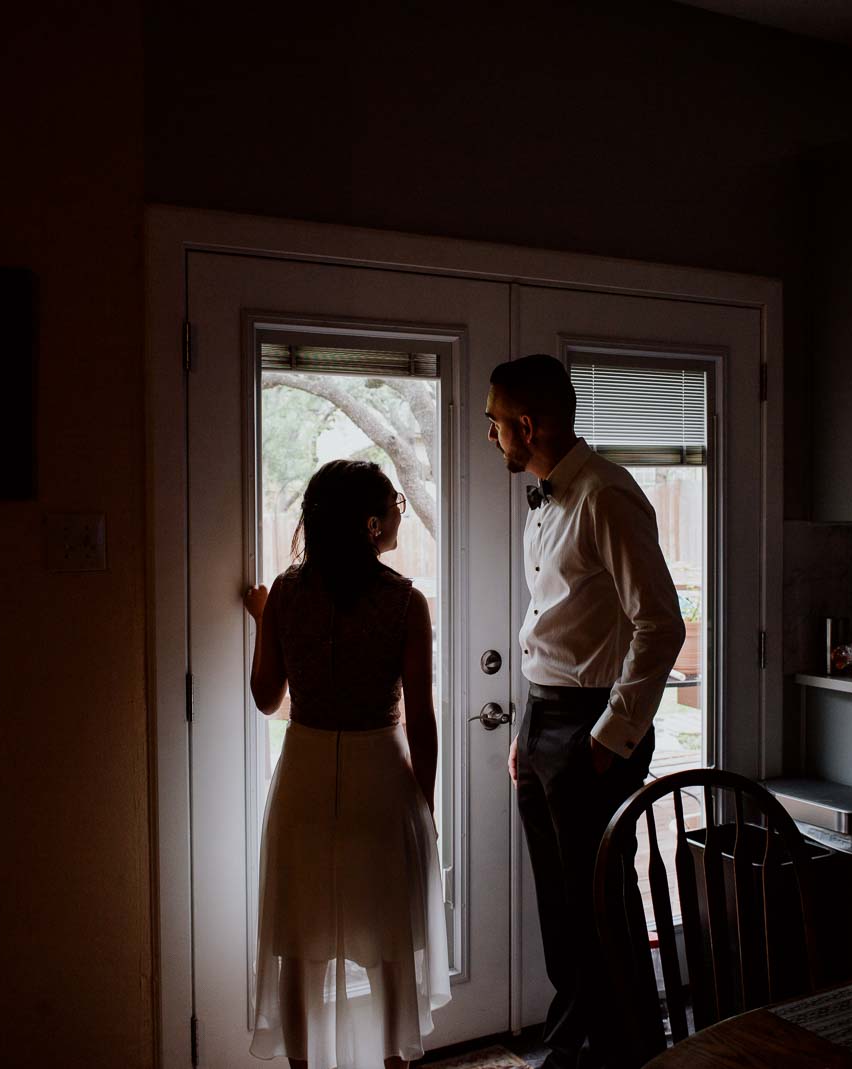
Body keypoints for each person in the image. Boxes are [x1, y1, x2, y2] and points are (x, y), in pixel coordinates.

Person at [486, 354, 684, 1069]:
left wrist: (610, 737)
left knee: (602, 904)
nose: (492, 435)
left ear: (527, 425)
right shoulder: (545, 499)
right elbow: (550, 626)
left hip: (593, 726)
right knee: (560, 905)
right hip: (543, 721)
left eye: (495, 423)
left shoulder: (606, 494)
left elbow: (661, 624)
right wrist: (522, 731)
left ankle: (629, 1052)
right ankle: (573, 1042)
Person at [243, 459, 450, 1069]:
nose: (398, 516)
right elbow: (421, 716)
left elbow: (266, 698)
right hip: (379, 778)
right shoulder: (404, 603)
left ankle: (302, 1067)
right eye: (395, 506)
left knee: (297, 940)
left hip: (305, 772)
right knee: (389, 940)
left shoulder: (285, 594)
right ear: (369, 523)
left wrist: (266, 626)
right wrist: (426, 804)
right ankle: (393, 1062)